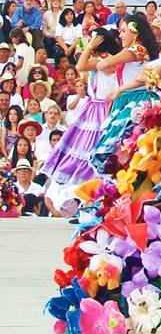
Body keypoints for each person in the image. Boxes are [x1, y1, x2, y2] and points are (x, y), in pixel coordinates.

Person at [40, 29, 120, 212]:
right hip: (94, 108)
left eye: (93, 39)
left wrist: (89, 47)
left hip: (103, 109)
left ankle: (95, 198)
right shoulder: (101, 60)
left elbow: (81, 66)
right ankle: (85, 198)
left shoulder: (107, 60)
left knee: (95, 151)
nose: (89, 42)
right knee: (84, 151)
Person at [90, 14, 161, 173]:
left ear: (135, 32)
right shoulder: (137, 50)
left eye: (123, 31)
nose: (120, 35)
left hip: (136, 98)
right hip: (128, 97)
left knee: (124, 141)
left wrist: (93, 50)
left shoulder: (136, 49)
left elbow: (105, 64)